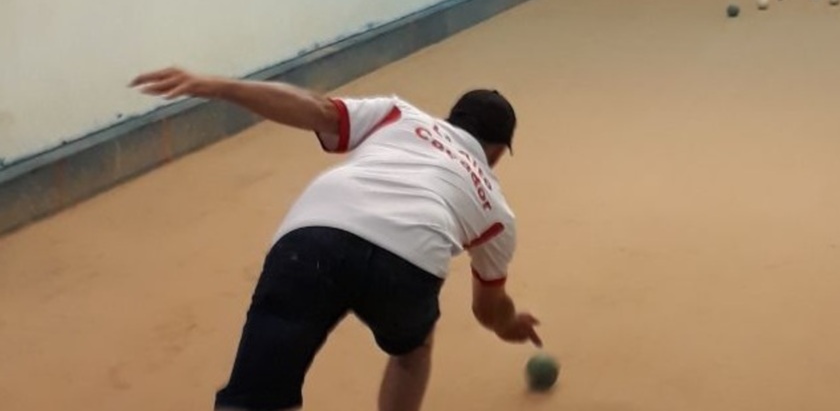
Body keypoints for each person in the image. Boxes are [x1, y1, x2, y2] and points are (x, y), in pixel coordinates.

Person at [129, 66, 541, 411]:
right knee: (412, 354)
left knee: (256, 396)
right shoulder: (496, 209)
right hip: (407, 263)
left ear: (451, 119)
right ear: (499, 151)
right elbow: (488, 309)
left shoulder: (400, 115)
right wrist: (510, 325)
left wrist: (217, 86)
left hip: (314, 236)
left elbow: (312, 108)